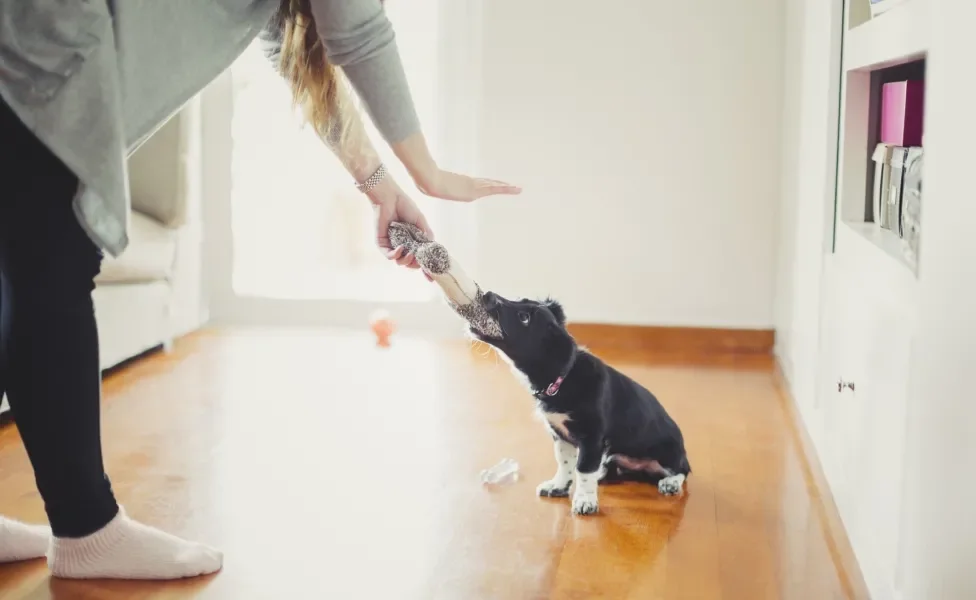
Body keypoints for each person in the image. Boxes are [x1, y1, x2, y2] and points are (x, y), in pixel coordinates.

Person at [0, 0, 519, 580]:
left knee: (24, 262)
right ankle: (86, 529)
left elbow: (296, 47)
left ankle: (81, 525)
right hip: (41, 35)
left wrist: (380, 185)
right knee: (53, 261)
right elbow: (358, 28)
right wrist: (429, 173)